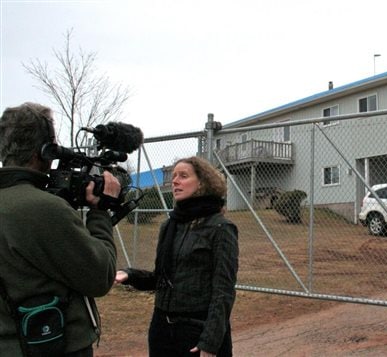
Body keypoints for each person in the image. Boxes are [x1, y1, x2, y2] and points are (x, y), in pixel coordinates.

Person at [0, 102, 121, 356]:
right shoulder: (43, 209)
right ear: (44, 151)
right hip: (47, 346)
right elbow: (101, 276)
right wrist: (100, 213)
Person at [115, 156, 239, 357]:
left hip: (197, 331)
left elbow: (223, 292)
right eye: (173, 176)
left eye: (183, 176)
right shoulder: (170, 225)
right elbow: (160, 278)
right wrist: (129, 274)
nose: (175, 181)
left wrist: (210, 342)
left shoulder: (221, 228)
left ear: (202, 183)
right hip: (162, 330)